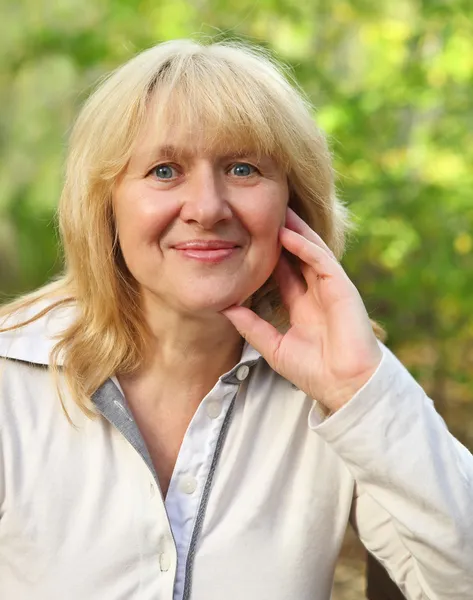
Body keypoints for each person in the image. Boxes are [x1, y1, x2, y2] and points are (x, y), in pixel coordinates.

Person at [0, 39, 471, 600]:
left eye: (243, 168)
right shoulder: (11, 381)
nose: (207, 207)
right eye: (165, 170)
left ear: (294, 207)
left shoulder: (337, 382)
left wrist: (358, 393)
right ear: (105, 205)